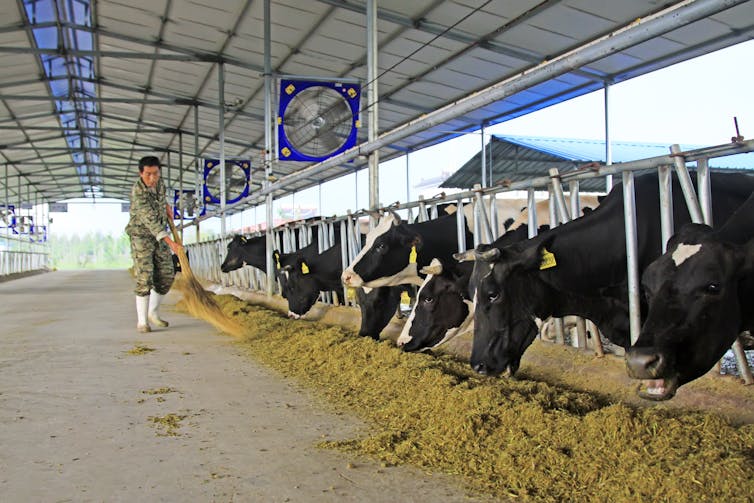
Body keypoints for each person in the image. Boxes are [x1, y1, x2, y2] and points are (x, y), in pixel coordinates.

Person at [125, 155, 183, 333]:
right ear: (140, 173)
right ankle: (142, 322)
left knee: (166, 275)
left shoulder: (160, 183)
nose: (152, 178)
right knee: (145, 275)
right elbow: (151, 223)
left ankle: (153, 312)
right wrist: (171, 243)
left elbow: (160, 200)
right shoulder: (138, 192)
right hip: (141, 236)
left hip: (160, 234)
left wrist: (166, 206)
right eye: (148, 174)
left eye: (156, 174)